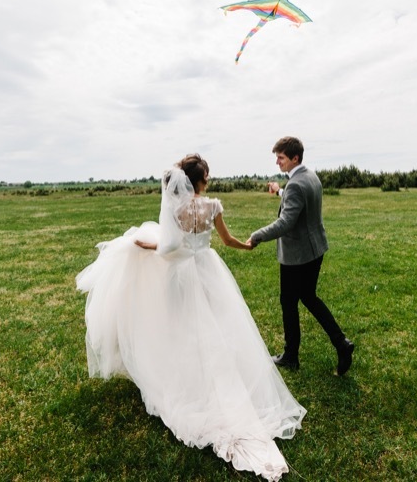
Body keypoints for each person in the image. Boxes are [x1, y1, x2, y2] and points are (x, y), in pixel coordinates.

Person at [76, 154, 306, 481]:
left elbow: (168, 246)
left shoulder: (175, 209)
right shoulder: (213, 206)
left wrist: (145, 245)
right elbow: (227, 240)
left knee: (181, 327)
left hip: (181, 275)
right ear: (202, 179)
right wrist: (247, 245)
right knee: (218, 325)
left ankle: (186, 380)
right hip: (209, 270)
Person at [247, 137, 355, 376]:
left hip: (297, 256)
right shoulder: (310, 176)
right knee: (308, 297)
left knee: (289, 302)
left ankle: (291, 356)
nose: (277, 162)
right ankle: (341, 343)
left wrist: (257, 236)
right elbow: (296, 199)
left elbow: (285, 222)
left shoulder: (296, 184)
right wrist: (279, 191)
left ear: (294, 158)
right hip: (315, 250)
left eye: (281, 158)